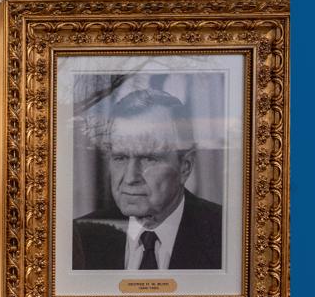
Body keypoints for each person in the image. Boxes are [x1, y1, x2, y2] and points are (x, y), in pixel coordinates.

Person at [73, 88, 222, 270]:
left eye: (148, 159)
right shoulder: (80, 236)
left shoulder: (226, 233)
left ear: (185, 166)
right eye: (120, 158)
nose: (130, 178)